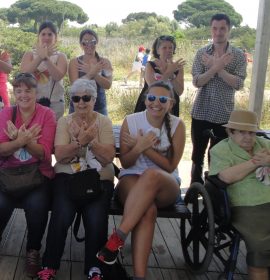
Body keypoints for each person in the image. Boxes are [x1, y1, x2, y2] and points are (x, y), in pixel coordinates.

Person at [97, 81, 186, 280]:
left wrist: (145, 147)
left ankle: (118, 237)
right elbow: (126, 164)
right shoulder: (132, 120)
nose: (156, 103)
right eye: (151, 98)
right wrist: (138, 148)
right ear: (145, 99)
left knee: (151, 175)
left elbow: (170, 166)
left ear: (170, 103)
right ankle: (139, 276)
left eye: (163, 99)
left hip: (165, 183)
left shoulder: (178, 126)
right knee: (148, 210)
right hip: (132, 178)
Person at [37, 79, 115, 280]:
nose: (81, 103)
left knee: (96, 217)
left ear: (94, 99)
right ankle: (49, 265)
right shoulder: (64, 121)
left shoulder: (103, 121)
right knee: (61, 213)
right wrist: (81, 141)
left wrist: (91, 142)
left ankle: (95, 268)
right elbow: (60, 155)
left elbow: (108, 157)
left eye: (86, 98)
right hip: (68, 176)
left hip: (98, 177)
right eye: (76, 98)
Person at [0, 72, 56, 277]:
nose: (23, 94)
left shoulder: (46, 114)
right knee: (1, 204)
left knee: (37, 206)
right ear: (14, 92)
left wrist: (18, 139)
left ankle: (33, 250)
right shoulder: (6, 113)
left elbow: (44, 153)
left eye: (28, 90)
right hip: (8, 174)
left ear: (36, 91)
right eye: (18, 90)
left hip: (37, 174)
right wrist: (22, 141)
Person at [209, 110, 270, 280]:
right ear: (230, 132)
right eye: (241, 132)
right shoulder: (221, 150)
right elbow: (224, 177)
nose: (248, 137)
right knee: (260, 244)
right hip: (247, 205)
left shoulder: (264, 144)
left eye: (251, 132)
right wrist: (255, 162)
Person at [190, 13, 247, 185]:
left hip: (224, 114)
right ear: (211, 29)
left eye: (222, 28)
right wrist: (215, 67)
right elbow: (197, 82)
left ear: (229, 30)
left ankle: (212, 190)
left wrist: (218, 69)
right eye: (215, 28)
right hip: (201, 112)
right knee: (197, 155)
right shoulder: (202, 53)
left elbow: (238, 83)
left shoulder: (238, 55)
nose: (218, 32)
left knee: (217, 156)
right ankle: (194, 189)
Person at [20, 21, 68, 120]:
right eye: (43, 34)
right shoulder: (29, 54)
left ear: (56, 37)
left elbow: (58, 76)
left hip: (55, 104)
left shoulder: (61, 56)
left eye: (50, 34)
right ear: (38, 36)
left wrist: (46, 58)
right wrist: (40, 57)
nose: (46, 37)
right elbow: (24, 76)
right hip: (31, 103)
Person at [134, 35, 185, 117]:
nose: (168, 50)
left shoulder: (178, 67)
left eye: (170, 48)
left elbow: (179, 91)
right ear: (158, 50)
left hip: (170, 107)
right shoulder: (150, 65)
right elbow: (153, 88)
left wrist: (172, 76)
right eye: (164, 48)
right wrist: (168, 72)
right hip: (151, 105)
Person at [69, 29, 113, 116]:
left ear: (97, 42)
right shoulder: (75, 62)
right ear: (81, 45)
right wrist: (91, 73)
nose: (89, 45)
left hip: (99, 107)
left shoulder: (105, 62)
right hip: (78, 105)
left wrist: (95, 74)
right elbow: (75, 86)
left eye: (92, 42)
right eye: (85, 42)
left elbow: (108, 85)